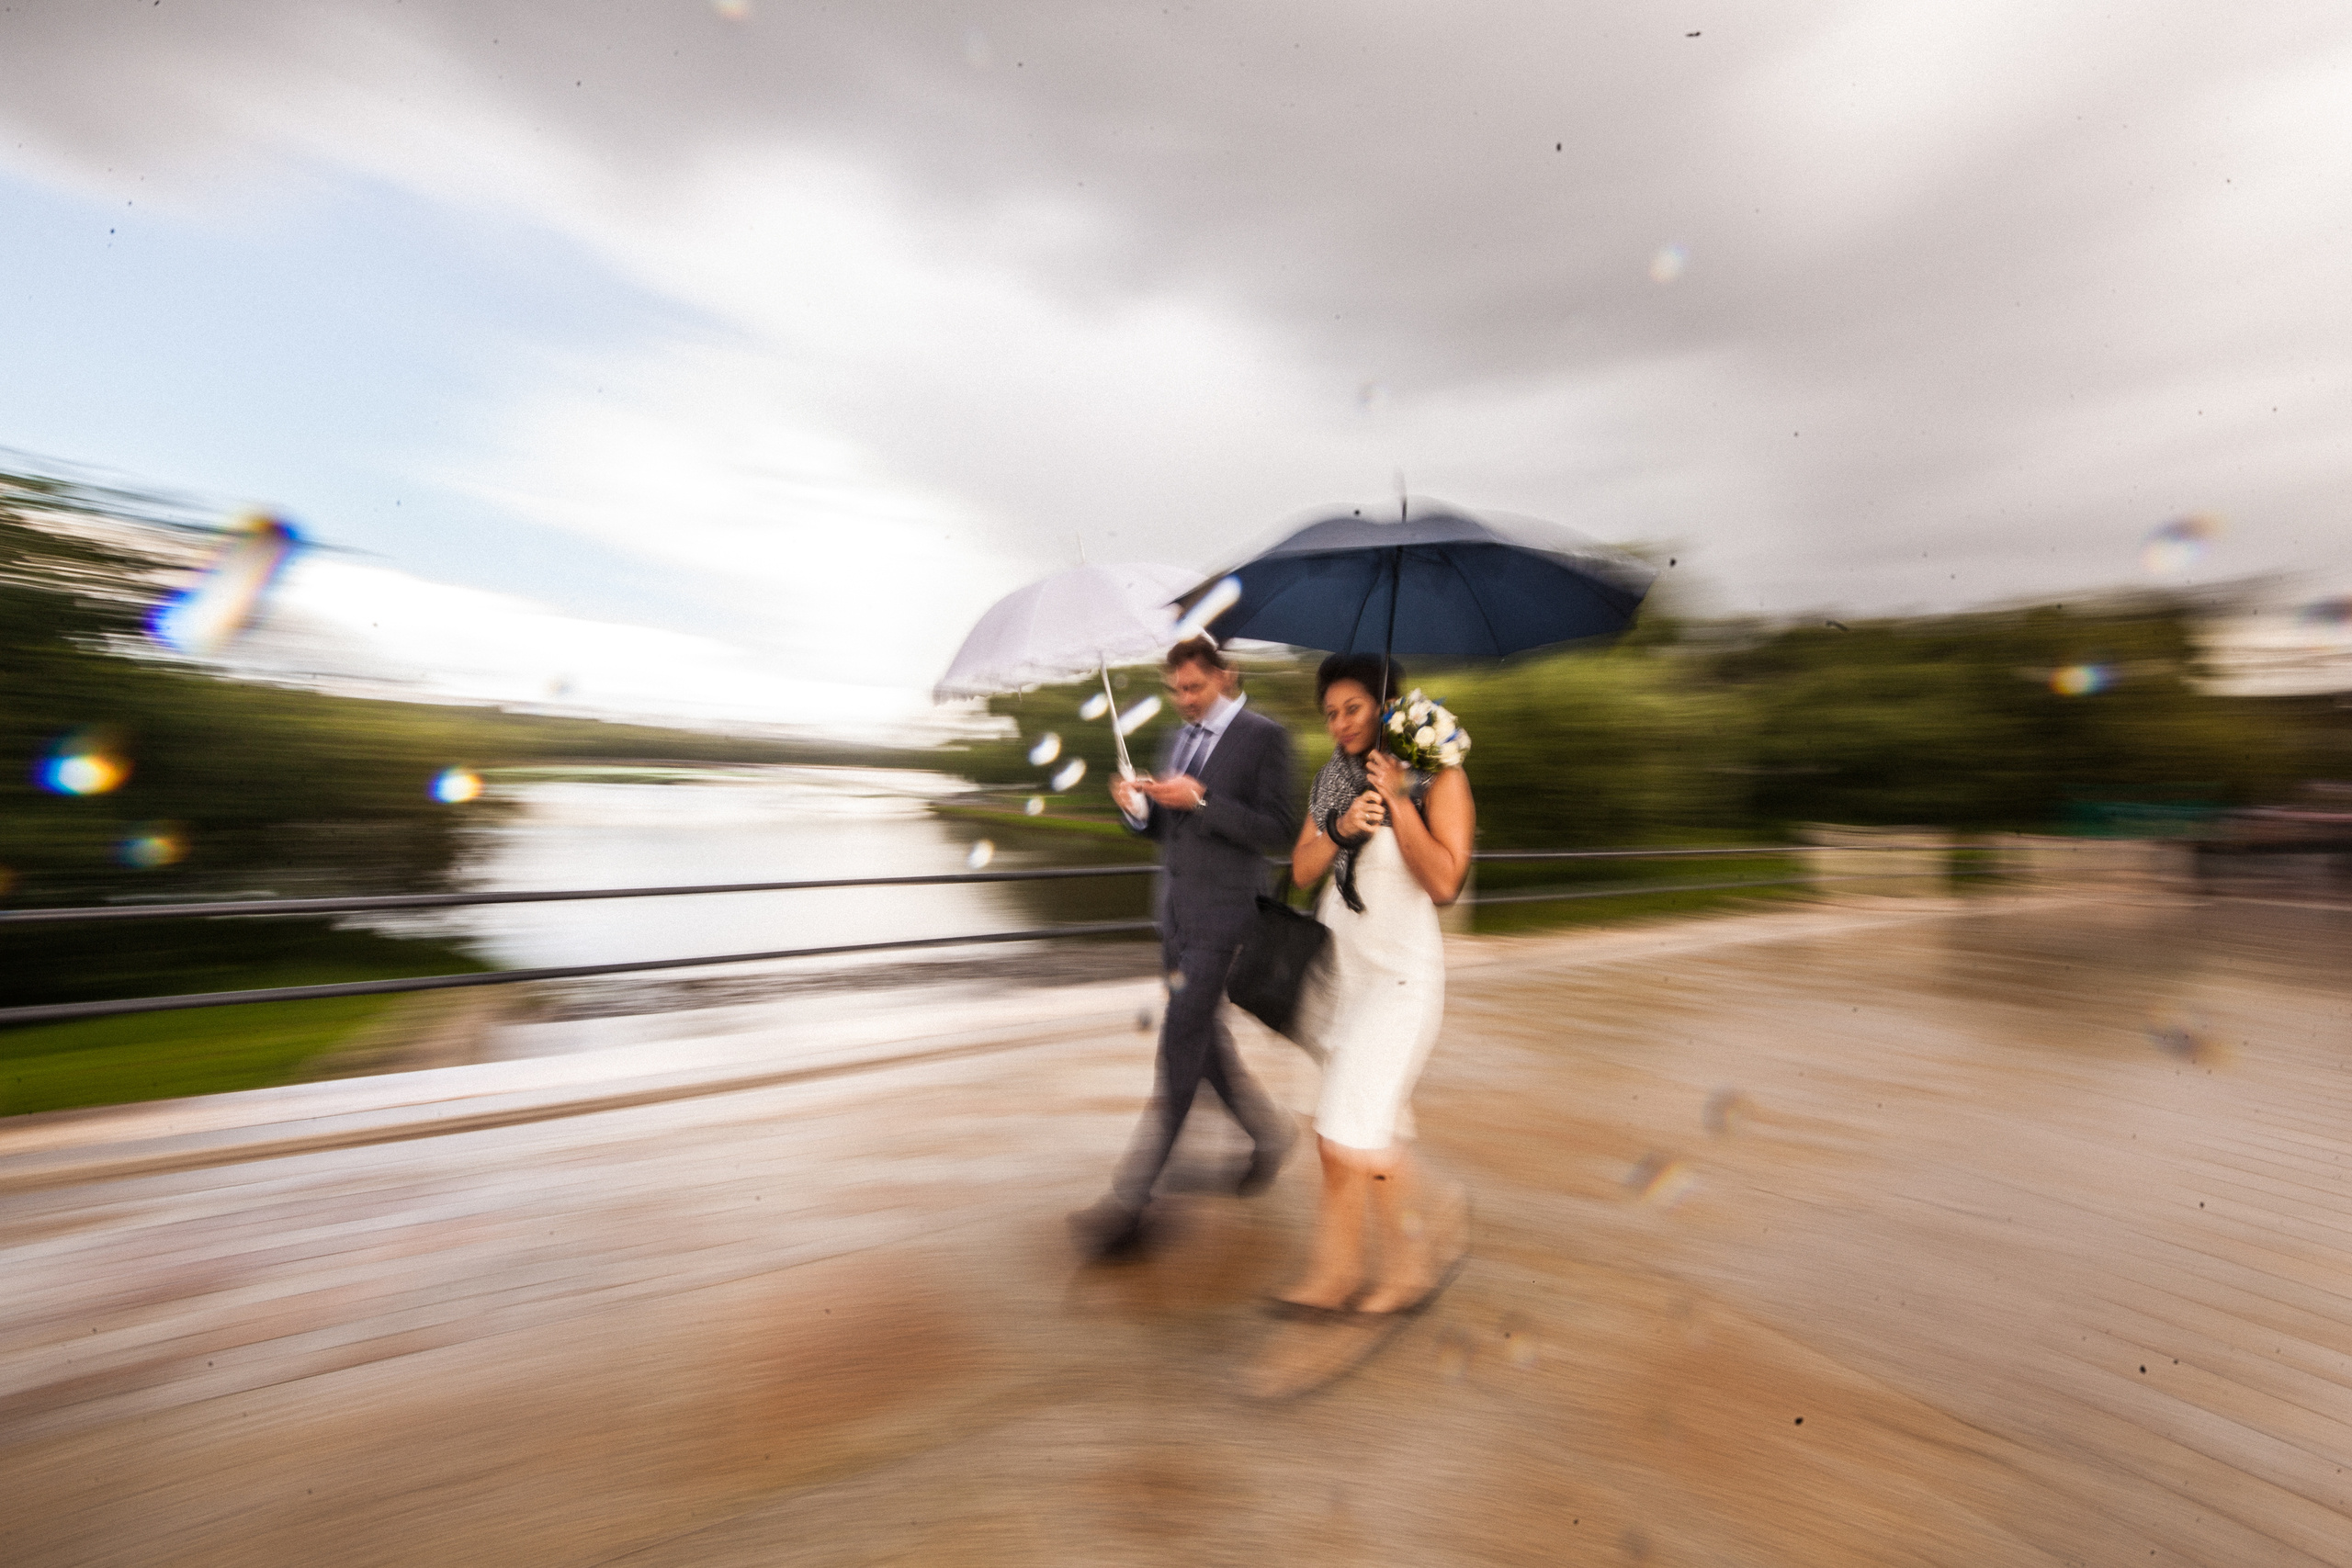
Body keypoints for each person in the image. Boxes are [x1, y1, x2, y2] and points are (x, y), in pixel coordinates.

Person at [1069, 637, 1301, 1261]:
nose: (1184, 699)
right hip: (1174, 920)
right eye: (1176, 690)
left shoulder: (1264, 736)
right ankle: (1268, 1134)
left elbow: (1278, 828)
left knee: (1179, 1047)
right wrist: (1138, 810)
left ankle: (1131, 1203)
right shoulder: (1176, 739)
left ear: (1226, 676)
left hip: (1227, 921)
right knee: (1204, 1044)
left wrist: (1201, 798)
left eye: (1194, 687)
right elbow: (1166, 833)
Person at [1274, 652, 1475, 1314]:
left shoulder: (1438, 777)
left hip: (1399, 981)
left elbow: (1444, 882)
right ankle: (1337, 1273)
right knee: (1335, 1135)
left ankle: (1426, 1232)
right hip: (1337, 978)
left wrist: (1396, 801)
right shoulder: (1332, 779)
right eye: (1330, 713)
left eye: (1352, 708)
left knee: (1352, 1131)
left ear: (1386, 706)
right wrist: (1339, 827)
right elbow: (1302, 871)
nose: (1339, 723)